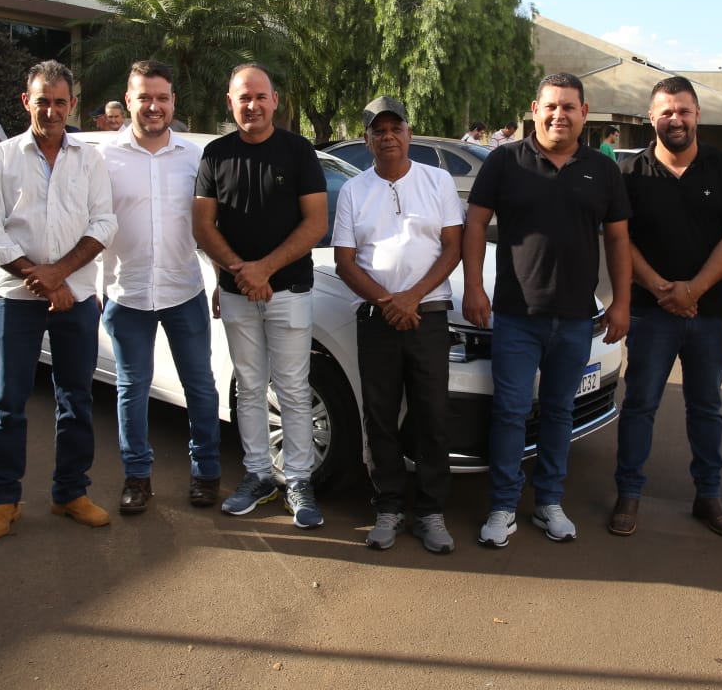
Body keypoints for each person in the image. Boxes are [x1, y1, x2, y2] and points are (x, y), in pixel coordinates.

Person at [464, 72, 631, 546]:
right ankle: (502, 507)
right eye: (551, 106)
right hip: (517, 316)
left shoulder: (603, 170)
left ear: (584, 113)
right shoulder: (504, 162)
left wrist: (622, 301)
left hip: (578, 319)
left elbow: (618, 238)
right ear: (534, 110)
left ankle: (549, 502)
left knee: (560, 412)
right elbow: (475, 225)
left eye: (570, 107)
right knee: (511, 412)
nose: (560, 114)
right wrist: (475, 287)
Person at [0, 60, 118, 540]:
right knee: (8, 400)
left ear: (72, 104)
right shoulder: (1, 158)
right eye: (43, 101)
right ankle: (3, 499)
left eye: (60, 102)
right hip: (17, 297)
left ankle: (70, 493)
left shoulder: (89, 159)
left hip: (75, 295)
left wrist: (60, 275)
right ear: (26, 101)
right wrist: (42, 279)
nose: (52, 111)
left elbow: (104, 223)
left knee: (76, 399)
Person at [609, 75, 722, 539]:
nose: (676, 119)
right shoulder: (629, 174)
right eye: (666, 112)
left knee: (706, 406)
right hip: (652, 314)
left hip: (710, 314)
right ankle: (628, 494)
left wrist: (694, 289)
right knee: (640, 405)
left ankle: (708, 496)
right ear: (651, 117)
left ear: (697, 116)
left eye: (684, 111)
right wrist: (661, 288)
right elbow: (619, 238)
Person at [194, 64, 328, 528]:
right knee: (249, 387)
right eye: (242, 98)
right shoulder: (214, 154)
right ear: (230, 103)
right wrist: (239, 272)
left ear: (275, 100)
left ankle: (298, 479)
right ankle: (256, 476)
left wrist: (264, 269)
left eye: (260, 96)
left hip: (289, 290)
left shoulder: (299, 151)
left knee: (292, 388)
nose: (252, 105)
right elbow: (202, 225)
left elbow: (315, 222)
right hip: (235, 293)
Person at [334, 96, 463, 553]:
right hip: (377, 319)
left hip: (427, 316)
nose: (387, 136)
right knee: (380, 417)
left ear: (409, 133)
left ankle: (430, 512)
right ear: (367, 139)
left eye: (395, 128)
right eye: (377, 130)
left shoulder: (438, 180)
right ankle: (388, 506)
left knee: (432, 416)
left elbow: (453, 247)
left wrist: (412, 297)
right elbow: (345, 262)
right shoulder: (354, 191)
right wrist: (388, 301)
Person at [97, 60, 222, 514]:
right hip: (125, 294)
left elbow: (210, 227)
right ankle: (137, 477)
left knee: (201, 388)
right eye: (144, 97)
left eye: (162, 98)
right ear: (128, 100)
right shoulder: (103, 158)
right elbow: (92, 225)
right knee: (131, 388)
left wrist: (222, 279)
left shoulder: (194, 158)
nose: (153, 106)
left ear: (173, 102)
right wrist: (95, 283)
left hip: (183, 291)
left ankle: (206, 474)